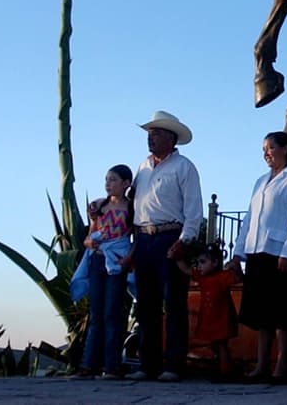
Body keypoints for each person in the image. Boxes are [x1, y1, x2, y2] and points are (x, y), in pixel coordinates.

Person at [126, 110, 203, 382]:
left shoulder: (184, 167)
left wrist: (185, 240)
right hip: (144, 238)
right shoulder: (142, 167)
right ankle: (148, 364)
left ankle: (173, 364)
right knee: (146, 304)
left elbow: (194, 209)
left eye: (156, 133)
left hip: (170, 235)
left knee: (174, 305)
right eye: (149, 134)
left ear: (172, 138)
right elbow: (132, 202)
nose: (151, 138)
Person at [229, 131, 287, 383]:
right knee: (261, 313)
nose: (266, 153)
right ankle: (261, 364)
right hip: (258, 250)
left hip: (280, 252)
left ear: (285, 148)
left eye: (270, 147)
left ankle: (282, 364)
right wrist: (238, 252)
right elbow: (250, 218)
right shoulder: (260, 181)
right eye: (263, 148)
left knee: (282, 312)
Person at [77, 165, 134, 379]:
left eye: (113, 180)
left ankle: (111, 364)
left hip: (116, 262)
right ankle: (88, 364)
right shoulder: (99, 206)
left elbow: (134, 236)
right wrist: (90, 240)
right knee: (96, 314)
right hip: (98, 260)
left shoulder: (131, 209)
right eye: (107, 180)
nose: (108, 184)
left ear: (126, 183)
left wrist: (129, 258)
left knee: (112, 313)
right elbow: (90, 235)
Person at [175, 243, 239, 379]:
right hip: (210, 317)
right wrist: (178, 258)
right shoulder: (202, 277)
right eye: (198, 262)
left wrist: (234, 267)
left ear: (215, 262)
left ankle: (225, 371)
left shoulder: (223, 277)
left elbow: (237, 278)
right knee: (215, 345)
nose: (199, 265)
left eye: (203, 262)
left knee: (221, 344)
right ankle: (224, 367)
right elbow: (186, 270)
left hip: (222, 317)